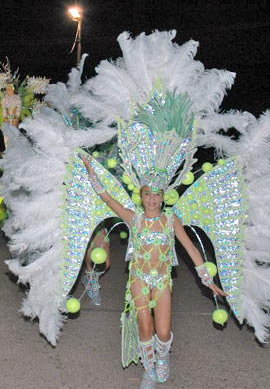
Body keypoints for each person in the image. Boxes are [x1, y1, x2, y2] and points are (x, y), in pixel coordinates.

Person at [81, 153, 227, 388]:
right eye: (147, 193)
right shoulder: (134, 218)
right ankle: (149, 370)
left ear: (163, 197)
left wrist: (207, 280)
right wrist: (91, 171)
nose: (151, 199)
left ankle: (162, 357)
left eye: (156, 194)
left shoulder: (172, 220)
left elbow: (190, 248)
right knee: (145, 326)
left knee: (163, 331)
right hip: (138, 279)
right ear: (141, 196)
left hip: (161, 281)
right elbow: (107, 198)